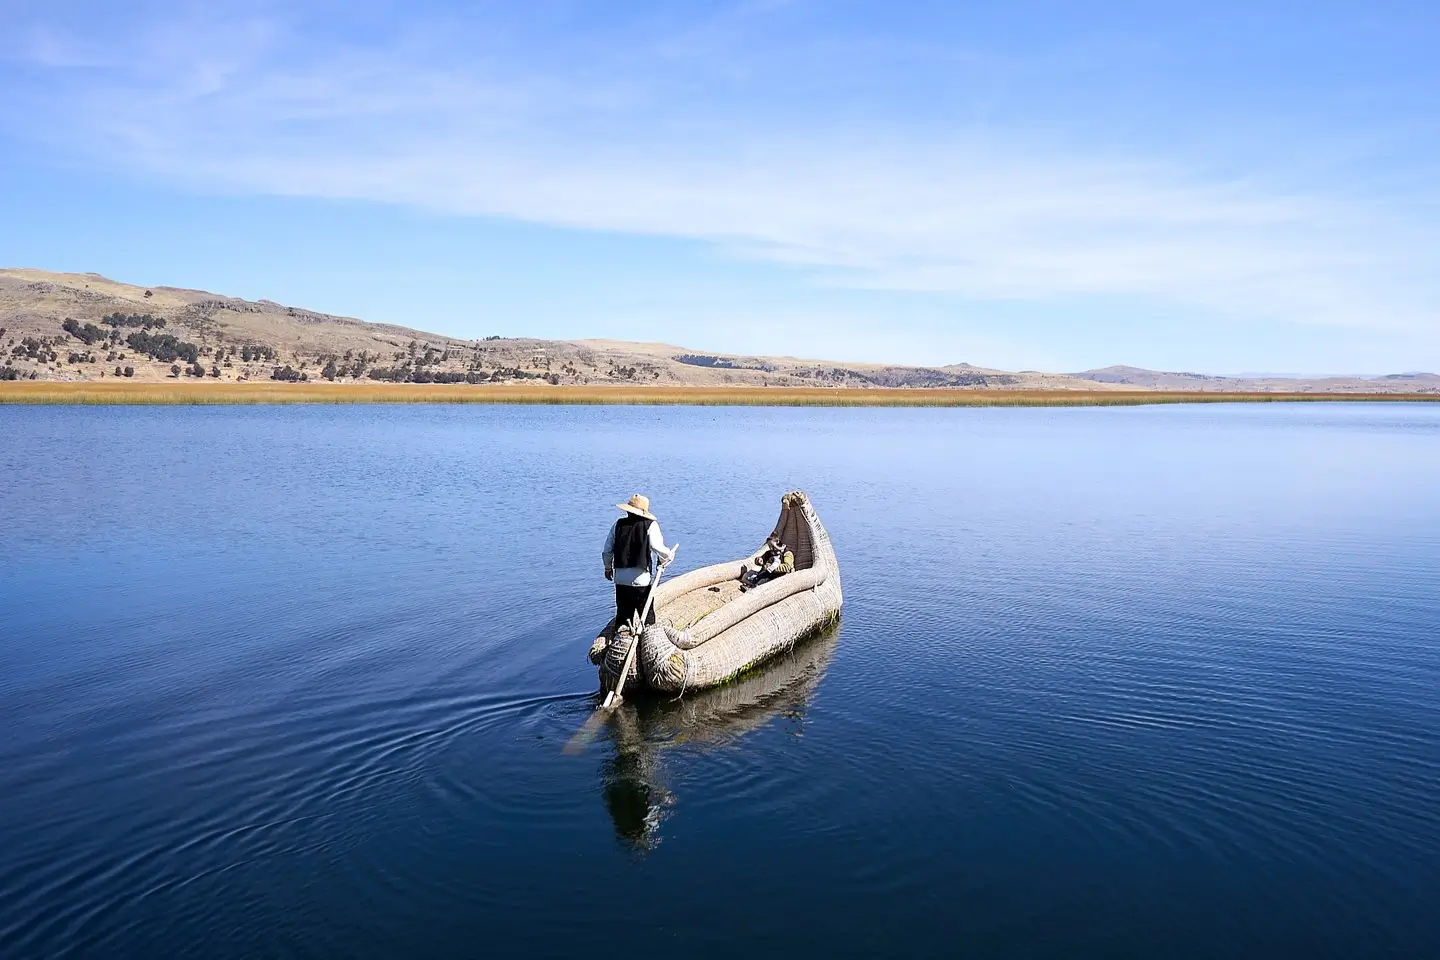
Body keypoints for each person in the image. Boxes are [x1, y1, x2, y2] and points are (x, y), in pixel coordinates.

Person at [603, 494, 676, 631]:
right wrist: (668, 556)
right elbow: (658, 548)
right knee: (647, 618)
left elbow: (607, 550)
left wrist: (608, 568)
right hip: (640, 579)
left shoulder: (618, 525)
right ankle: (648, 641)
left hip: (620, 578)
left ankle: (619, 642)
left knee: (623, 617)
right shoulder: (650, 525)